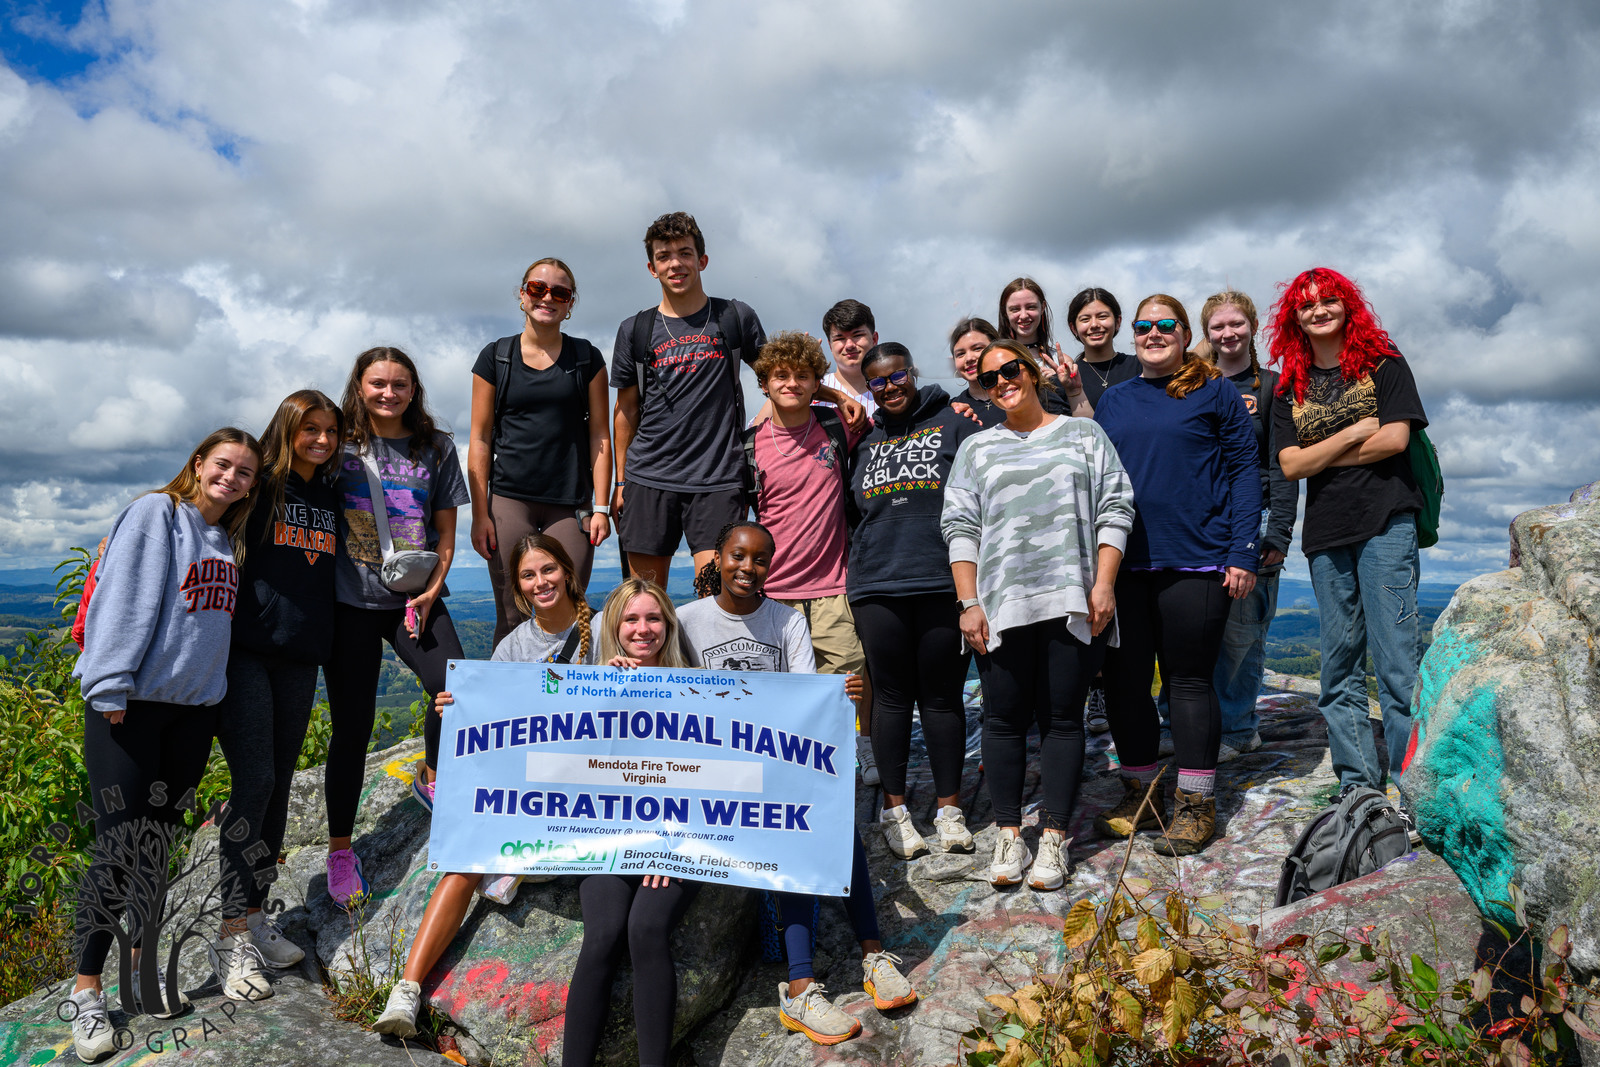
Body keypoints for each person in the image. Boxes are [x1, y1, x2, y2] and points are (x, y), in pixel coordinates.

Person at [375, 538, 624, 1056]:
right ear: (518, 586)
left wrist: (631, 676)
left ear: (569, 571)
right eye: (529, 576)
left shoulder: (606, 629)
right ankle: (407, 993)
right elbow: (497, 721)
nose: (541, 583)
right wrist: (457, 707)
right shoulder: (513, 646)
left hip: (598, 797)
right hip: (535, 793)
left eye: (549, 569)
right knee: (463, 859)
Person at [681, 522, 916, 1046]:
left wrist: (840, 694)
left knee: (826, 818)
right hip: (716, 775)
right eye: (738, 556)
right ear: (716, 558)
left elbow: (808, 695)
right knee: (797, 827)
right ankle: (802, 985)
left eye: (761, 559)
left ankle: (872, 956)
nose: (748, 568)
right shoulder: (686, 622)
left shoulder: (785, 621)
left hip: (776, 765)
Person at [69, 428, 263, 1062]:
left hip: (192, 716)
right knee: (118, 850)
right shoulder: (159, 513)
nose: (231, 479)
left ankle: (140, 969)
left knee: (156, 847)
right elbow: (122, 601)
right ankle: (87, 993)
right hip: (131, 708)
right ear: (198, 464)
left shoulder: (225, 541)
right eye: (223, 465)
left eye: (245, 473)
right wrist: (109, 687)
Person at [941, 341, 1134, 890]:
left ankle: (1052, 837)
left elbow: (1115, 505)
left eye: (1011, 369)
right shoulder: (977, 448)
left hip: (1072, 598)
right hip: (1000, 603)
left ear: (1032, 372)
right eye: (989, 378)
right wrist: (969, 603)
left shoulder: (1082, 433)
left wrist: (1104, 583)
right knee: (1001, 718)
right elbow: (960, 526)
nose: (1002, 381)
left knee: (1063, 718)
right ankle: (1008, 832)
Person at [610, 211, 863, 587]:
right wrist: (620, 482)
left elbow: (779, 372)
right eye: (664, 256)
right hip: (649, 476)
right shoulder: (636, 329)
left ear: (702, 260)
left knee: (715, 597)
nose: (675, 263)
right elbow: (626, 409)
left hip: (718, 476)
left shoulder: (733, 316)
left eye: (684, 252)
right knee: (644, 599)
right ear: (652, 267)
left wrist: (833, 395)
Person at [1092, 295, 1262, 857]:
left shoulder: (1213, 390)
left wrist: (1242, 551)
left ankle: (1195, 804)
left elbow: (1244, 470)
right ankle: (1141, 796)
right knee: (1125, 684)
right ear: (1133, 335)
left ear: (1186, 334)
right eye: (1144, 326)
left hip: (1199, 558)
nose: (1154, 333)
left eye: (1166, 325)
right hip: (1124, 564)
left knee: (1189, 682)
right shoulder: (1113, 401)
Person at [1269, 268, 1428, 801]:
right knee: (1339, 665)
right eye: (1306, 305)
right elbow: (1290, 466)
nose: (1318, 311)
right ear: (1294, 316)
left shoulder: (1383, 362)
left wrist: (1325, 453)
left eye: (1328, 301)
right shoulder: (1290, 383)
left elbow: (1395, 440)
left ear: (1347, 304)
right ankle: (1360, 783)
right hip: (1327, 532)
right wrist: (1357, 430)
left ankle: (1413, 788)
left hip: (1386, 521)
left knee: (1397, 666)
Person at [322, 347, 470, 906]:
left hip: (415, 597)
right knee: (353, 729)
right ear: (359, 386)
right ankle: (341, 850)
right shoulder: (339, 446)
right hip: (350, 602)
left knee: (455, 690)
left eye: (400, 384)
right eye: (378, 383)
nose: (389, 393)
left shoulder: (435, 447)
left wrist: (435, 586)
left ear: (415, 389)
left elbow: (446, 529)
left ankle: (430, 773)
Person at [214, 391, 342, 982]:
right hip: (245, 651)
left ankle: (256, 916)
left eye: (330, 430)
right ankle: (231, 934)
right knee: (256, 782)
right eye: (308, 429)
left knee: (281, 783)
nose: (320, 439)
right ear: (286, 431)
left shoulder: (330, 492)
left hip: (300, 656)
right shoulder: (259, 484)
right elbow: (200, 518)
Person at [848, 343, 984, 858]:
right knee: (890, 698)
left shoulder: (954, 421)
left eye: (896, 376)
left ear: (912, 372)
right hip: (876, 585)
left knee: (943, 697)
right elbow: (850, 511)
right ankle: (896, 811)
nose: (889, 387)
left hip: (942, 579)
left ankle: (950, 809)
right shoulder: (863, 439)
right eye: (878, 382)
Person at [743, 331, 876, 786]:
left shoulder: (837, 425)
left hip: (832, 584)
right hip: (774, 590)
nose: (792, 384)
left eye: (803, 376)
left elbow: (893, 421)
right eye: (781, 376)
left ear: (817, 380)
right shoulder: (750, 443)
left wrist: (829, 391)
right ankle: (794, 757)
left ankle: (863, 743)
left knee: (850, 674)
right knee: (781, 685)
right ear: (763, 383)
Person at [468, 257, 612, 645]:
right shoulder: (496, 357)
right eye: (537, 288)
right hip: (509, 498)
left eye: (559, 292)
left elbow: (601, 435)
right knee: (512, 614)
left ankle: (571, 705)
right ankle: (507, 706)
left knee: (570, 609)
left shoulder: (587, 358)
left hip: (571, 502)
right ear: (522, 295)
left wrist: (601, 508)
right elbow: (479, 438)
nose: (547, 297)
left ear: (570, 303)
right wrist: (480, 513)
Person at [1198, 290, 1299, 760]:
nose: (1227, 334)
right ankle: (1184, 724)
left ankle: (1237, 728)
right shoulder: (1193, 383)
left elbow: (1283, 464)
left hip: (1254, 516)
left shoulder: (1272, 387)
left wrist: (1278, 532)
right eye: (1217, 327)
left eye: (1236, 324)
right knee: (1195, 630)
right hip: (1202, 520)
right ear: (1206, 334)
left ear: (1252, 327)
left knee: (1242, 630)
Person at [948, 317, 1071, 428]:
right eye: (960, 354)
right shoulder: (955, 408)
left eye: (977, 348)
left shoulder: (1035, 393)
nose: (969, 358)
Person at [997, 277, 1092, 416]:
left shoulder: (1062, 361)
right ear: (1005, 312)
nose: (1023, 315)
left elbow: (1083, 420)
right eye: (1015, 309)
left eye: (1031, 307)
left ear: (1043, 307)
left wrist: (1060, 385)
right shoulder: (996, 361)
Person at [1065, 287, 1141, 409]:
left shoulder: (1140, 367)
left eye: (1102, 316)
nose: (1094, 325)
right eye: (1085, 319)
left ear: (1118, 321)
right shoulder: (1066, 380)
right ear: (1073, 328)